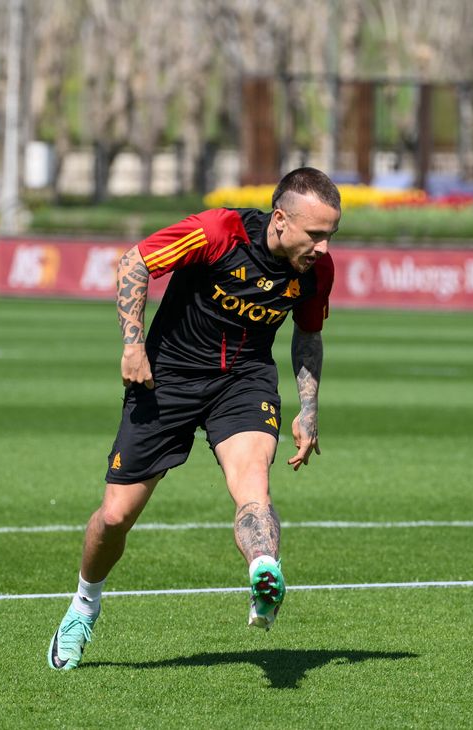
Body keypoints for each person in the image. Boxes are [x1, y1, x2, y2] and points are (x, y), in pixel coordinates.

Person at [48, 167, 341, 670]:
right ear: (279, 220)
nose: (323, 246)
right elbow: (134, 261)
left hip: (243, 382)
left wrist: (308, 410)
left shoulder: (317, 271)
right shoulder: (217, 231)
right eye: (315, 234)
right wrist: (132, 346)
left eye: (331, 235)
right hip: (167, 379)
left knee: (254, 486)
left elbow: (308, 334)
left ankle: (263, 570)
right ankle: (83, 605)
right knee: (115, 516)